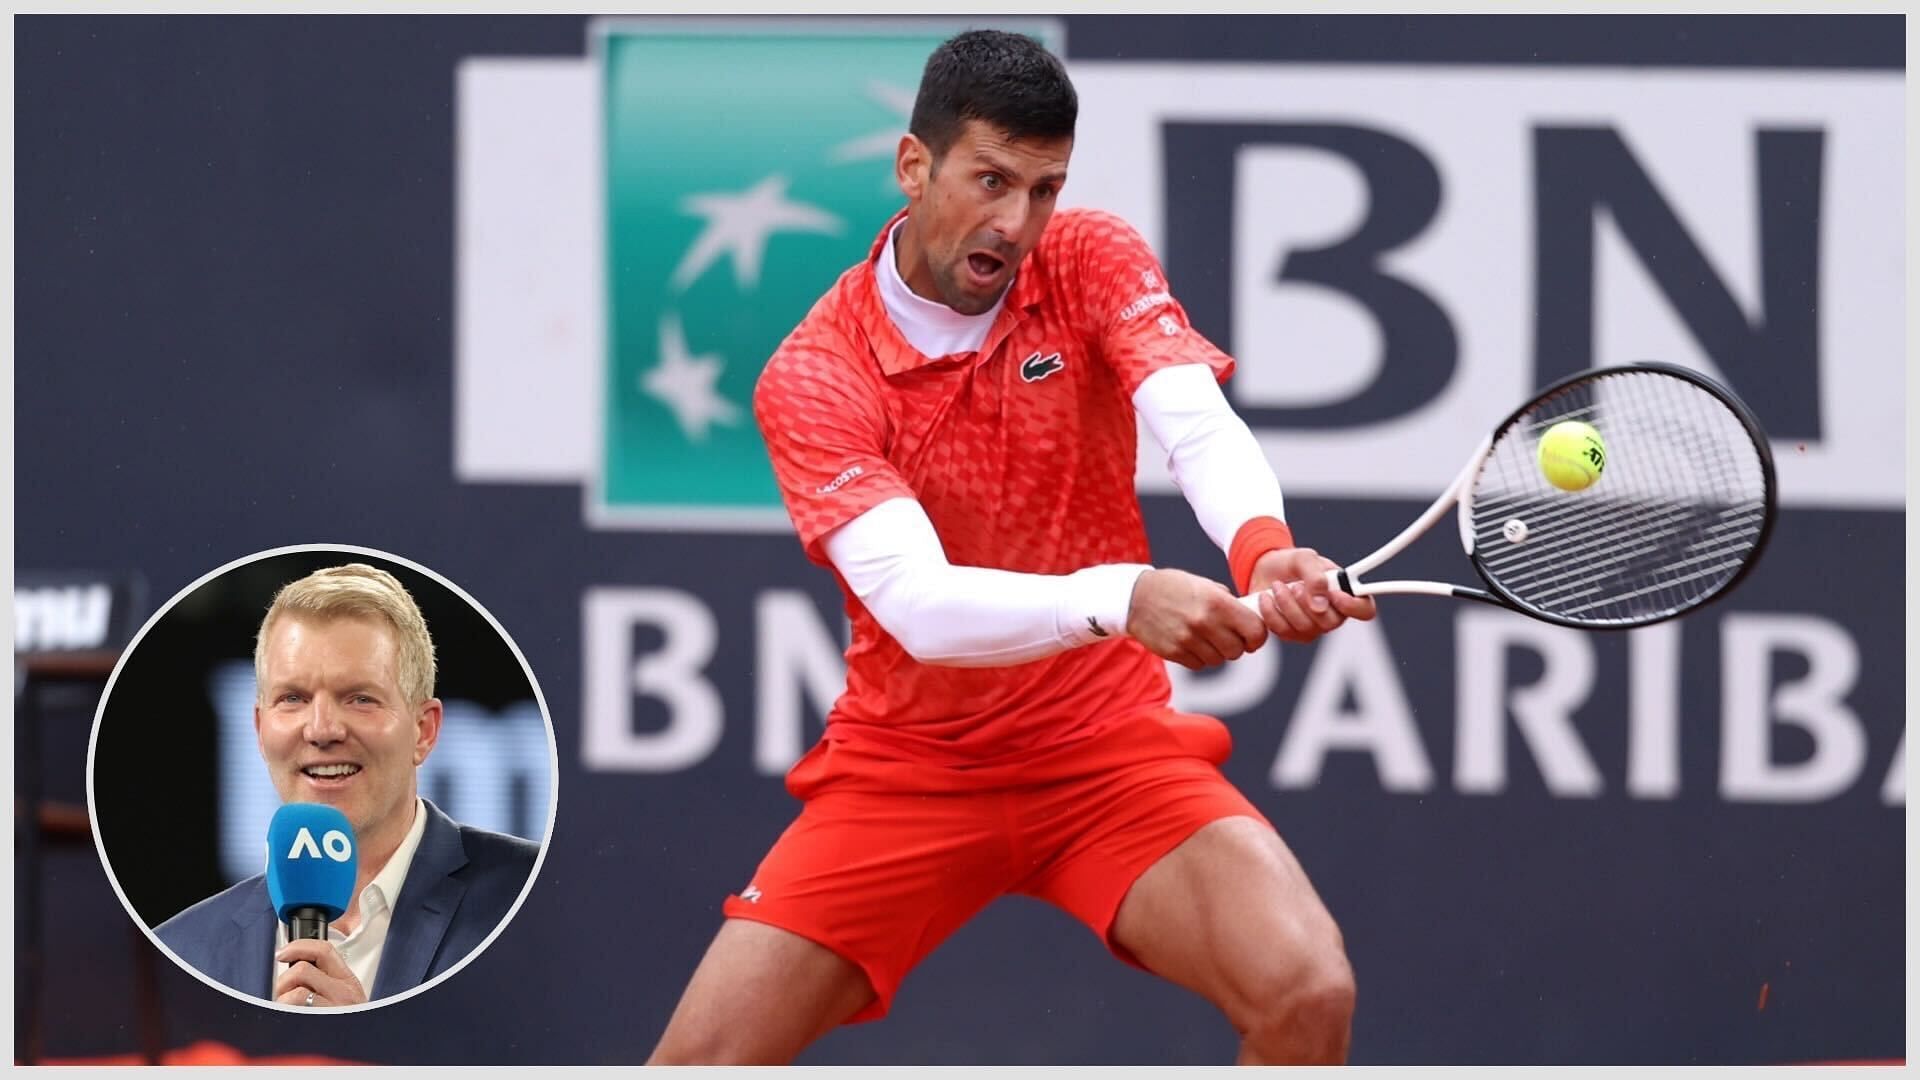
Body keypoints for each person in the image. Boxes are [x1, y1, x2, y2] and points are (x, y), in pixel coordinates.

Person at [648, 29, 1378, 1065]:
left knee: (1309, 993)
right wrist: (1122, 596)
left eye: (1042, 189)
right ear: (914, 166)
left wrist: (1263, 552)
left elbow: (1194, 423)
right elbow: (919, 604)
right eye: (989, 181)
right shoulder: (817, 375)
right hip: (909, 771)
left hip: (1103, 753)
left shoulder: (1087, 258)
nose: (1015, 222)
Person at [155, 564, 539, 1007]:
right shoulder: (184, 951)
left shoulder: (533, 900)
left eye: (359, 698)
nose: (321, 730)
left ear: (424, 731)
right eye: (293, 699)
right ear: (260, 729)